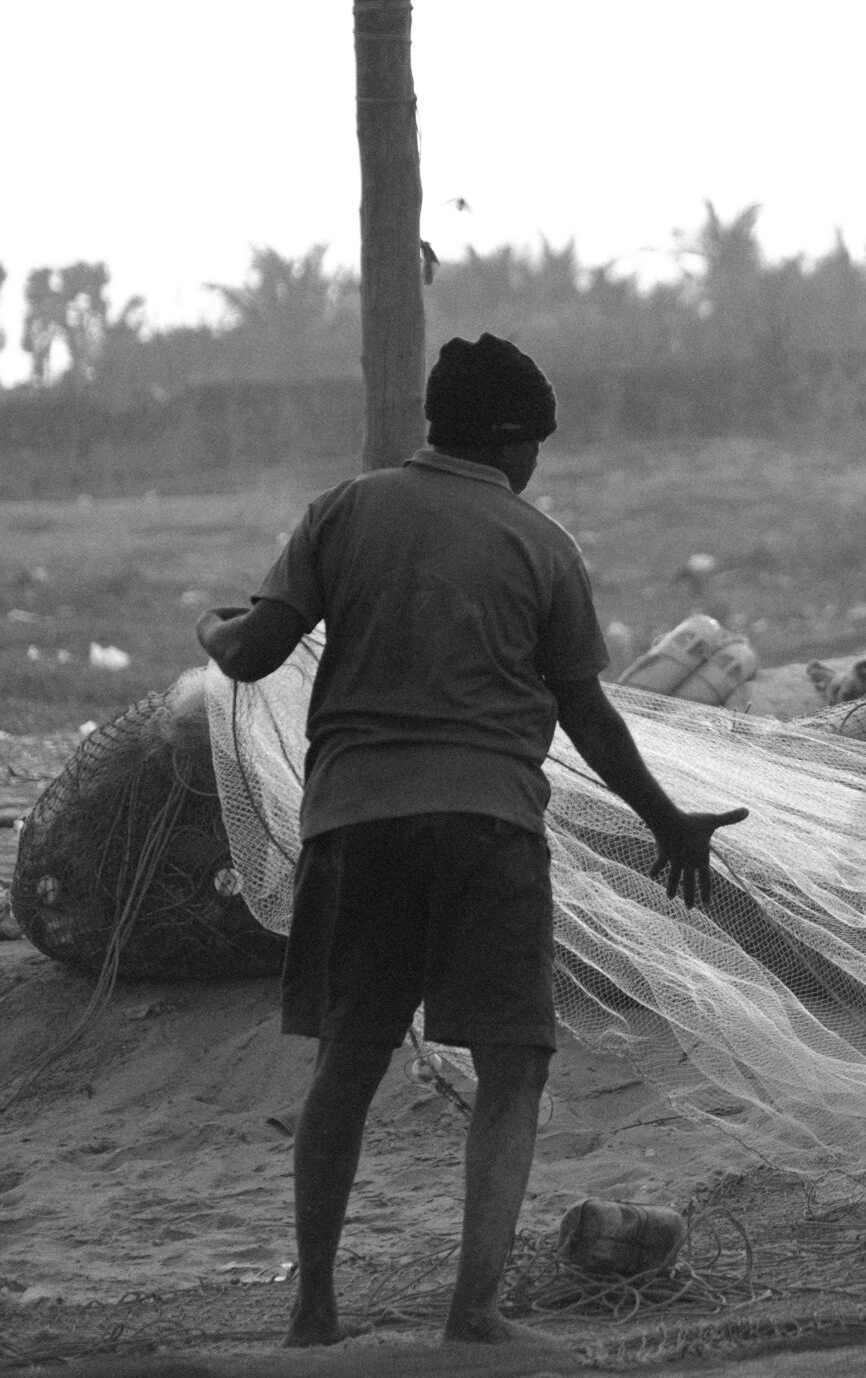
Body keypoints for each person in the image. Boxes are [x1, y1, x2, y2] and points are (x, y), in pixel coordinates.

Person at [196, 333, 747, 1348]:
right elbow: (590, 715)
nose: (536, 463)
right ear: (512, 443)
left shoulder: (347, 510)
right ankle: (474, 1311)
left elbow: (254, 652)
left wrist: (212, 633)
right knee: (513, 1066)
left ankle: (314, 1309)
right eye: (534, 444)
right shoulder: (540, 546)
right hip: (487, 825)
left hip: (357, 823)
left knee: (349, 1062)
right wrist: (666, 820)